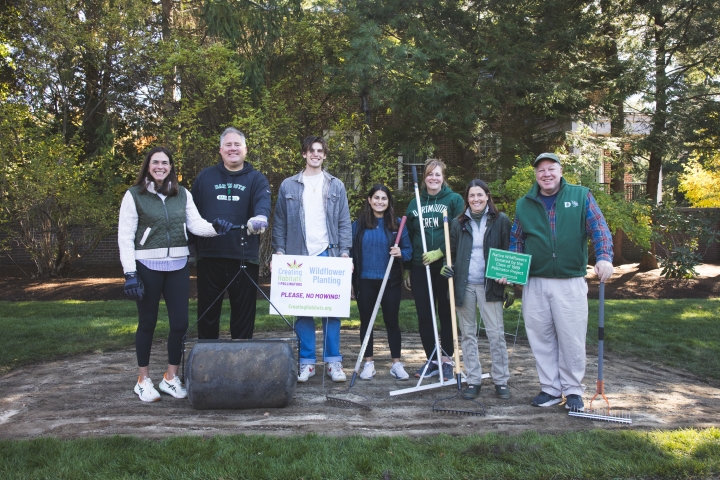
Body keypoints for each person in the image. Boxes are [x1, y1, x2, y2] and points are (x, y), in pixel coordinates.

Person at [118, 146, 232, 402]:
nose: (160, 166)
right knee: (147, 322)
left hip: (178, 265)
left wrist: (215, 228)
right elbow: (125, 236)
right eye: (155, 162)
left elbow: (195, 224)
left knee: (180, 323)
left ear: (171, 167)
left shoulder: (183, 194)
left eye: (165, 163)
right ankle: (143, 380)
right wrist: (130, 273)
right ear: (148, 166)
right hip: (146, 265)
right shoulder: (134, 195)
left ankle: (170, 378)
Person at [508, 152, 614, 412]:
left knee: (571, 338)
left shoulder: (580, 195)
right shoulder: (524, 204)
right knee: (540, 337)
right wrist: (512, 271)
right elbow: (517, 241)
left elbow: (599, 228)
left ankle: (573, 390)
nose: (546, 174)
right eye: (541, 170)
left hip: (570, 280)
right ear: (536, 174)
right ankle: (551, 389)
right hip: (535, 281)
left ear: (560, 171)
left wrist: (604, 257)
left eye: (551, 169)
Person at [272, 136, 352, 383]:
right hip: (299, 254)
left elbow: (344, 222)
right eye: (311, 151)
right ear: (304, 154)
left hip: (329, 252)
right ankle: (307, 363)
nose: (315, 154)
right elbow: (280, 222)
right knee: (302, 310)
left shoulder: (336, 185)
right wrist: (279, 250)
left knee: (332, 310)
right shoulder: (288, 185)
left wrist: (345, 253)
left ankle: (333, 362)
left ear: (325, 155)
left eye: (320, 151)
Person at [191, 127, 271, 340]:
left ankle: (241, 361)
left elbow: (263, 205)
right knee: (207, 315)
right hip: (210, 255)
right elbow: (191, 214)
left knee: (243, 315)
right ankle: (206, 361)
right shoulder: (205, 177)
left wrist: (259, 219)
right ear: (220, 150)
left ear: (245, 149)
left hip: (243, 256)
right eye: (228, 144)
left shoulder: (257, 179)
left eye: (237, 145)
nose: (233, 149)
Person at [440, 179, 513, 400]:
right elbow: (450, 251)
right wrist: (448, 266)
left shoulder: (500, 221)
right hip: (464, 285)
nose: (476, 199)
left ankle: (501, 380)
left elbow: (510, 252)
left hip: (490, 285)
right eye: (471, 196)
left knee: (496, 334)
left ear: (488, 196)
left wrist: (510, 283)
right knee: (468, 335)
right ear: (467, 199)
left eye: (480, 195)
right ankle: (474, 380)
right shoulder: (458, 223)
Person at [404, 159, 464, 381]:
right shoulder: (415, 203)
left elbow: (459, 232)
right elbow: (409, 237)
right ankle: (432, 358)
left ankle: (447, 360)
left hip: (444, 266)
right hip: (421, 267)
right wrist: (408, 268)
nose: (433, 178)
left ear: (443, 176)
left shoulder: (454, 200)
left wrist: (441, 252)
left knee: (446, 313)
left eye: (437, 174)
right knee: (425, 314)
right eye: (430, 174)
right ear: (424, 178)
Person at [351, 185, 413, 381]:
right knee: (366, 323)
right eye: (376, 198)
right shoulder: (358, 226)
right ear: (369, 200)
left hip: (390, 282)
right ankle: (368, 363)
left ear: (388, 202)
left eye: (384, 198)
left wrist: (401, 253)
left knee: (392, 322)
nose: (380, 201)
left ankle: (396, 364)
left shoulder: (397, 225)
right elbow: (351, 254)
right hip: (365, 281)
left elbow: (409, 251)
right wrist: (351, 282)